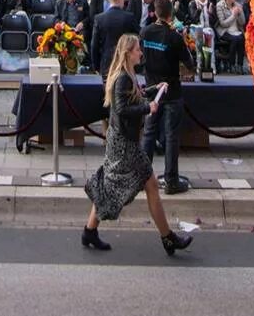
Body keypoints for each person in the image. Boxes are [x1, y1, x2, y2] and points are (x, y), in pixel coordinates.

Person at [81, 33, 191, 256]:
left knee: (121, 185)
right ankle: (167, 237)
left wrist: (153, 89)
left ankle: (90, 231)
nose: (141, 52)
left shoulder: (127, 75)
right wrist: (147, 108)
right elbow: (122, 109)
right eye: (138, 50)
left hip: (123, 141)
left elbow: (135, 96)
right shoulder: (123, 77)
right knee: (138, 185)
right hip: (125, 144)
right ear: (128, 53)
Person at [140, 0, 191, 194]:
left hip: (152, 89)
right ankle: (171, 180)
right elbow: (189, 63)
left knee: (149, 134)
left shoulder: (145, 32)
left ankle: (143, 178)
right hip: (171, 91)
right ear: (171, 15)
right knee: (171, 136)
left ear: (154, 12)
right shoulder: (174, 37)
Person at [90, 0, 136, 73]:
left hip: (106, 62)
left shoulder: (99, 18)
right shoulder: (129, 17)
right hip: (125, 62)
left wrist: (95, 65)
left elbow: (94, 45)